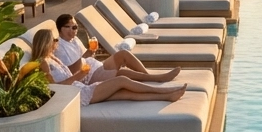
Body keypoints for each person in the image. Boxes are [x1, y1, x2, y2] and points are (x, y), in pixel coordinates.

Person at [30, 29, 186, 106]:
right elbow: (52, 87)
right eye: (54, 40)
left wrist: (81, 73)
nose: (56, 43)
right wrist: (77, 77)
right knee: (122, 80)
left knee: (126, 94)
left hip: (81, 89)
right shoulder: (43, 63)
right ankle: (164, 90)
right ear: (47, 43)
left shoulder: (52, 58)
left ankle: (167, 96)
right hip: (80, 94)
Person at [52, 14, 180, 82]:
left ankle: (148, 76)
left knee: (123, 54)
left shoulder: (75, 40)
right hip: (88, 76)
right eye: (67, 27)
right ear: (59, 29)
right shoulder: (59, 47)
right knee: (121, 74)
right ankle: (158, 78)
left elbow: (85, 58)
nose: (72, 30)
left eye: (74, 27)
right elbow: (70, 72)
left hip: (96, 66)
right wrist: (87, 55)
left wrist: (91, 53)